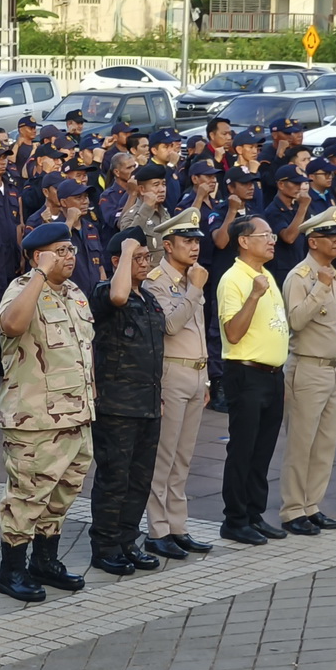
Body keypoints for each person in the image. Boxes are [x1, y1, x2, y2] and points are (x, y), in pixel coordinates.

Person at [0, 223, 93, 601]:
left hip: (76, 417)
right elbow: (12, 324)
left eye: (71, 250)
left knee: (62, 495)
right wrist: (38, 274)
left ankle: (44, 561)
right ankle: (11, 571)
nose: (70, 257)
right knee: (26, 498)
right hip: (34, 420)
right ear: (39, 257)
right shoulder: (22, 290)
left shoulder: (74, 293)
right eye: (61, 251)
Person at [85, 228, 167, 576]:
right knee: (114, 480)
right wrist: (127, 246)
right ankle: (105, 547)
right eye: (137, 258)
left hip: (147, 402)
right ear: (118, 261)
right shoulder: (107, 292)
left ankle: (126, 542)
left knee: (139, 479)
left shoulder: (148, 299)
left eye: (147, 257)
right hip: (117, 405)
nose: (145, 263)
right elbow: (118, 297)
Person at [143, 212, 215, 558]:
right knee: (164, 456)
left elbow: (198, 331)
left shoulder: (192, 277)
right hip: (171, 372)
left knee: (183, 457)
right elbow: (170, 326)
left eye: (197, 240)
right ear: (167, 245)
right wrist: (195, 289)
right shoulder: (156, 281)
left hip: (194, 371)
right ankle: (157, 530)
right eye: (187, 241)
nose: (195, 247)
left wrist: (205, 377)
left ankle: (178, 525)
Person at [217, 215, 289, 545]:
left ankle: (254, 514)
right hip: (245, 373)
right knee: (243, 449)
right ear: (244, 241)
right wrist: (254, 296)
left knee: (263, 451)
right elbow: (233, 332)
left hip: (273, 375)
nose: (272, 239)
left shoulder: (265, 274)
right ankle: (234, 519)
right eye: (266, 234)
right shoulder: (234, 279)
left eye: (273, 234)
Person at [278, 208, 336, 535]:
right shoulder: (301, 276)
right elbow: (295, 320)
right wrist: (319, 288)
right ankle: (293, 510)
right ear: (313, 241)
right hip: (307, 367)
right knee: (301, 444)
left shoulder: (331, 273)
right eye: (332, 237)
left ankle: (312, 505)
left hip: (333, 369)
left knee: (324, 445)